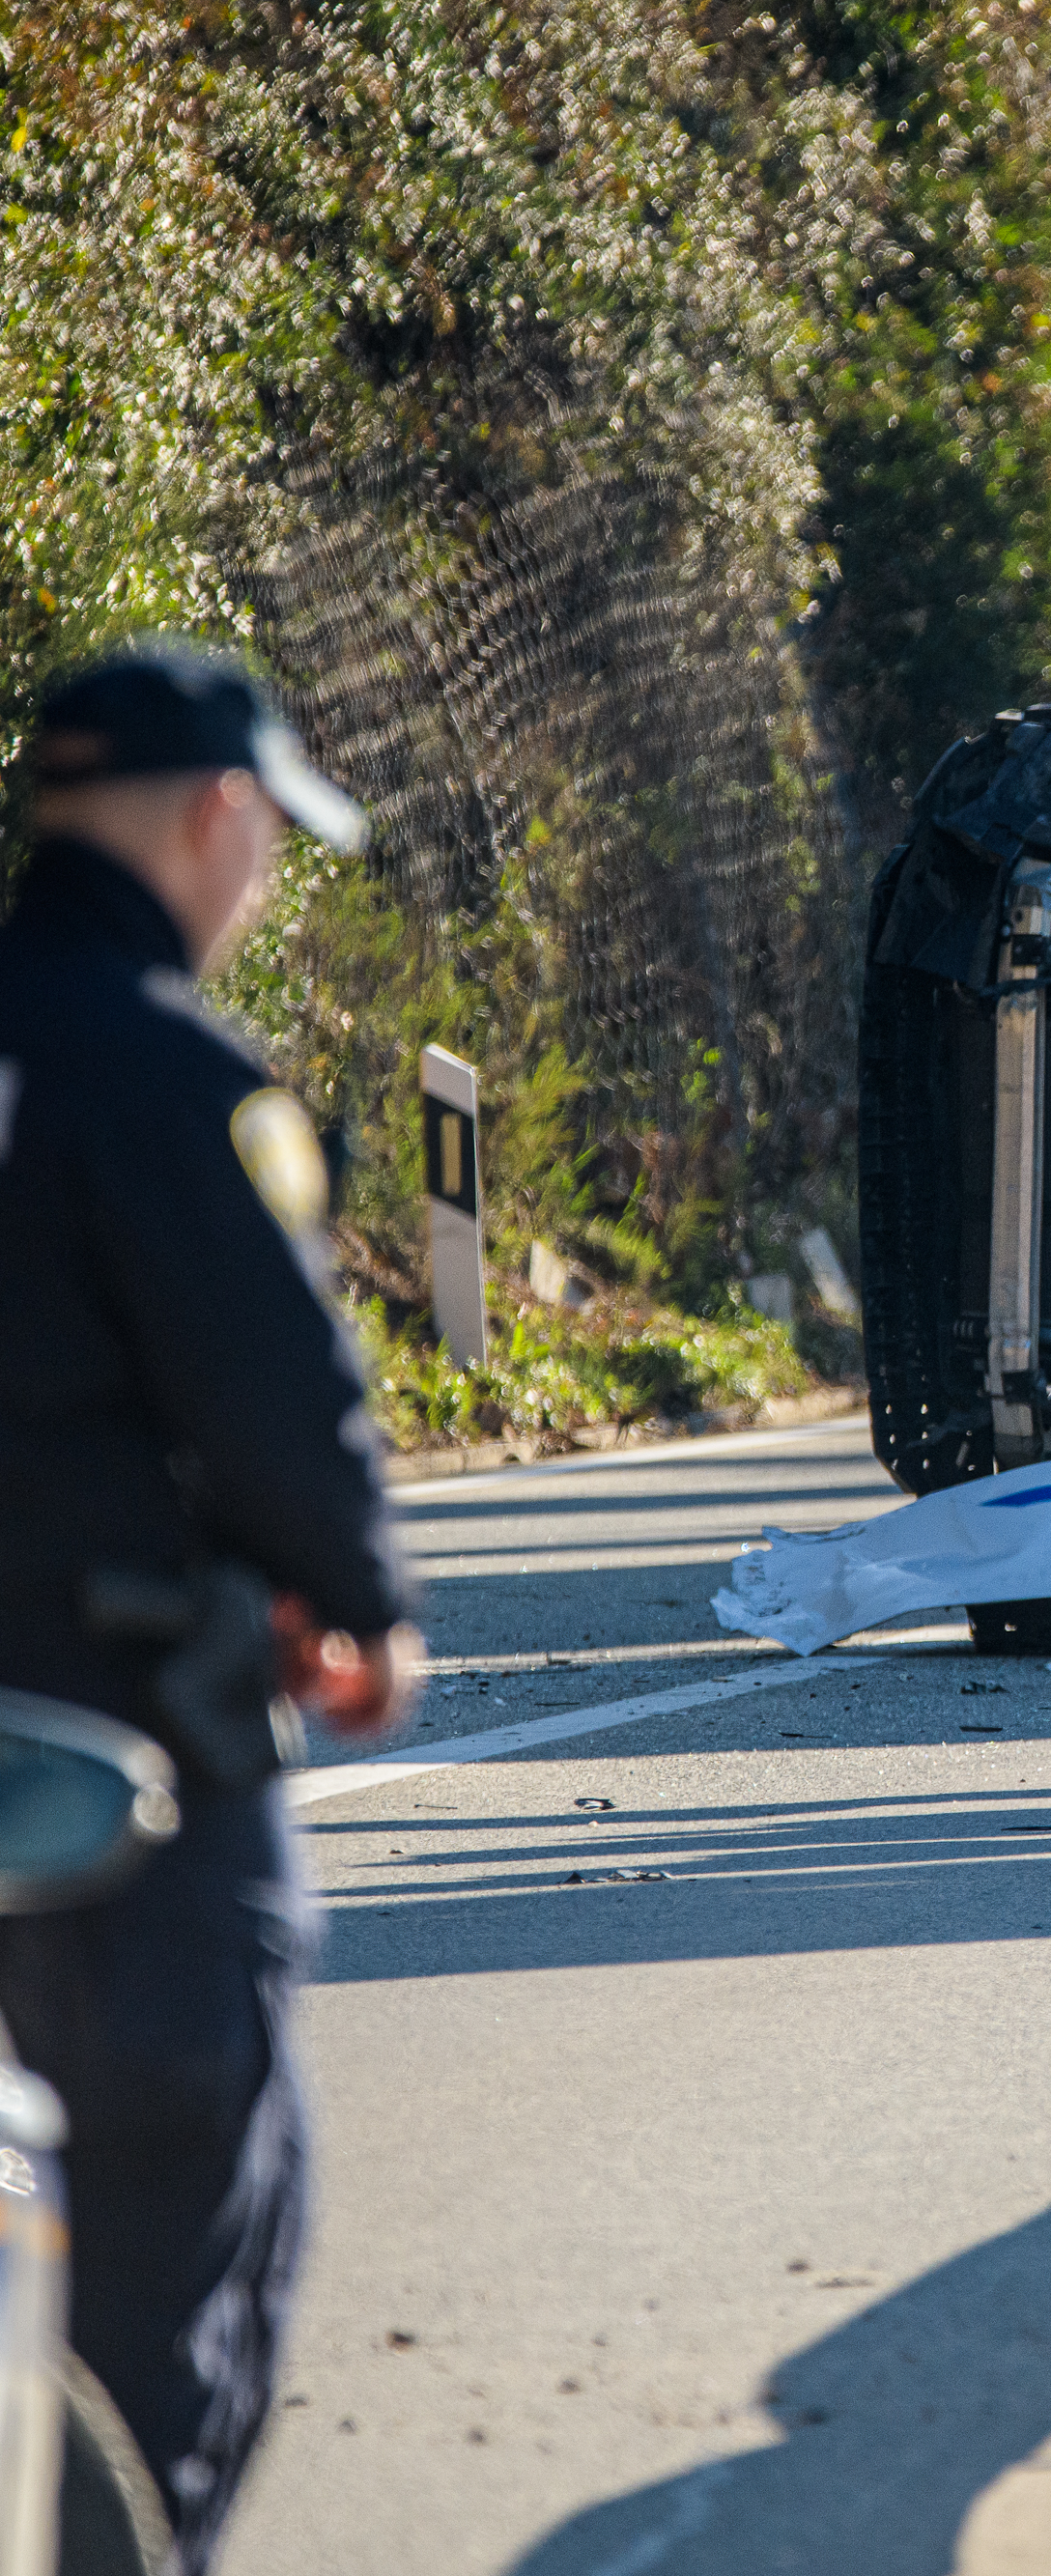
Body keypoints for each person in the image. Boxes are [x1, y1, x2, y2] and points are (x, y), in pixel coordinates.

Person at [0, 638, 422, 2564]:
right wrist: (358, 1605)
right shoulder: (170, 1075)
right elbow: (272, 1395)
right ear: (219, 817)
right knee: (179, 2251)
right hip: (118, 1761)